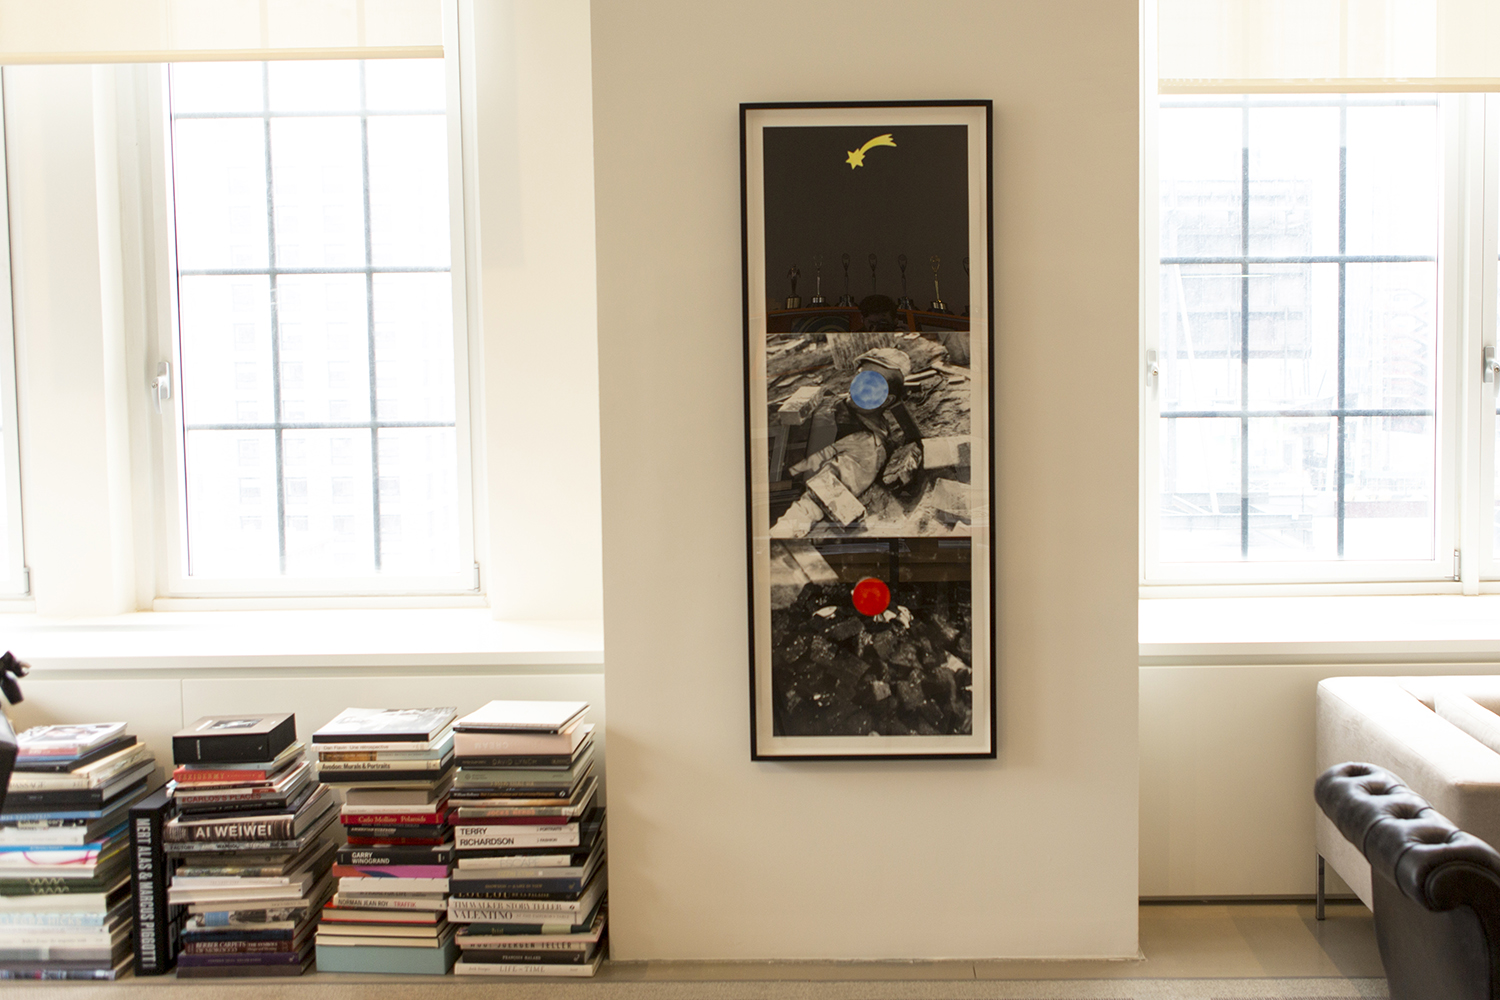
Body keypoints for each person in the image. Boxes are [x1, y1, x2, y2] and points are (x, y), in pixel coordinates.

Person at [770, 347, 924, 537]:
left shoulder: (867, 448)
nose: (860, 385)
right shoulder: (840, 403)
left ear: (887, 400)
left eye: (872, 383)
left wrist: (782, 534)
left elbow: (820, 496)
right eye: (860, 375)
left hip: (778, 485)